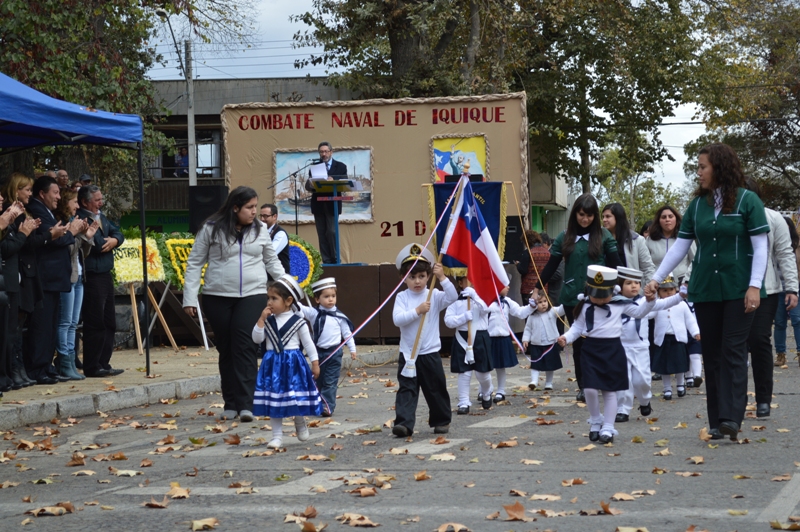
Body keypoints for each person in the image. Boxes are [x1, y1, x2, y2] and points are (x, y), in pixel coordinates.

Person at [646, 143, 770, 442]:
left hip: (740, 288)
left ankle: (732, 417)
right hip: (705, 289)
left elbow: (760, 247)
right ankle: (716, 421)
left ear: (719, 167)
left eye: (702, 167)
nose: (698, 172)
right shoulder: (696, 206)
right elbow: (680, 246)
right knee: (712, 353)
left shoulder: (747, 201)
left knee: (733, 350)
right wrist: (657, 278)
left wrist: (754, 286)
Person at [183, 186, 286, 422]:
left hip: (253, 294)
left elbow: (272, 261)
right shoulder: (211, 228)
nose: (254, 213)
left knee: (246, 345)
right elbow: (195, 262)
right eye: (249, 208)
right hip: (216, 295)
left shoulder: (260, 229)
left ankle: (247, 404)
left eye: (256, 207)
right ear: (235, 207)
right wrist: (189, 298)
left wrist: (288, 289)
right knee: (226, 349)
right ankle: (230, 404)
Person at [532, 193, 621, 403]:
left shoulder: (604, 236)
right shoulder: (565, 237)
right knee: (580, 345)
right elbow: (551, 265)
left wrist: (620, 289)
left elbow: (617, 263)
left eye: (590, 215)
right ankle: (584, 386)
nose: (585, 219)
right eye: (582, 214)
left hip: (601, 298)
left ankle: (604, 380)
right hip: (574, 300)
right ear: (575, 214)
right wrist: (537, 287)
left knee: (601, 342)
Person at [557, 266, 655, 443]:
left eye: (604, 295)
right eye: (596, 295)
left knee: (610, 391)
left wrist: (649, 301)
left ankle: (608, 427)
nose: (600, 300)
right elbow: (578, 328)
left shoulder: (620, 304)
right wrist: (565, 337)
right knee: (589, 389)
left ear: (613, 291)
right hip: (591, 350)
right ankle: (595, 420)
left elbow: (640, 312)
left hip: (613, 349)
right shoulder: (585, 305)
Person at [741, 177, 798, 417]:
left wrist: (792, 288)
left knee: (759, 339)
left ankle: (763, 398)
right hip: (732, 290)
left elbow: (785, 253)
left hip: (768, 290)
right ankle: (737, 397)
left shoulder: (774, 218)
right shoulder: (726, 217)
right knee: (735, 345)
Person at [391, 243, 457, 437]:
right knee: (407, 390)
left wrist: (443, 277)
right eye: (412, 277)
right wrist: (417, 311)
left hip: (429, 353)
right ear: (404, 278)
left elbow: (453, 297)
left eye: (421, 276)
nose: (417, 281)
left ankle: (441, 420)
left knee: (435, 388)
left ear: (429, 276)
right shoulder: (402, 297)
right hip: (408, 354)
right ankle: (403, 423)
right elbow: (397, 319)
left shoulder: (434, 294)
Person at [25, 176, 85, 384]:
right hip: (45, 276)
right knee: (42, 325)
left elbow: (59, 236)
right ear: (42, 193)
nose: (59, 197)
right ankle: (37, 367)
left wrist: (68, 233)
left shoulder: (47, 210)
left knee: (51, 324)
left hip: (54, 278)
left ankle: (46, 365)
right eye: (55, 193)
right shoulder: (37, 208)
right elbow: (53, 239)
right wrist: (72, 232)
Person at [251, 275, 321, 449]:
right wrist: (260, 320)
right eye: (268, 298)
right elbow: (256, 338)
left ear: (289, 300)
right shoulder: (268, 320)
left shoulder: (298, 322)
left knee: (294, 397)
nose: (269, 302)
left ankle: (300, 421)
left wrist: (315, 362)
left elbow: (308, 344)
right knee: (275, 401)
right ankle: (276, 436)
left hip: (293, 365)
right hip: (272, 365)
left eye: (274, 298)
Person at [615, 267, 683, 422]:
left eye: (637, 283)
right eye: (628, 283)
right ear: (619, 285)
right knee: (623, 379)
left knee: (642, 380)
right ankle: (623, 409)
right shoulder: (615, 303)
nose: (634, 286)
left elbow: (664, 303)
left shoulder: (646, 301)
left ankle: (645, 400)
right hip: (620, 347)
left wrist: (680, 296)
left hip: (640, 348)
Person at [75, 185, 124, 378]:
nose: (100, 203)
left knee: (109, 321)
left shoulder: (101, 217)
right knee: (96, 322)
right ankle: (93, 365)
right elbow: (95, 244)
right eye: (96, 200)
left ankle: (104, 361)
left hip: (106, 273)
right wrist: (107, 241)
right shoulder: (81, 218)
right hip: (92, 274)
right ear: (85, 201)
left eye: (101, 199)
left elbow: (118, 232)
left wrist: (115, 241)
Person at [1, 173, 42, 388]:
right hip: (10, 276)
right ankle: (11, 372)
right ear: (16, 190)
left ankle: (17, 370)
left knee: (15, 329)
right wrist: (25, 233)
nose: (30, 194)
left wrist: (34, 232)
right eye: (26, 189)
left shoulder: (20, 212)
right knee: (10, 330)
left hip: (17, 275)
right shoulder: (9, 213)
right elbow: (8, 247)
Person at [646, 205, 694, 383]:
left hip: (682, 286)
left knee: (683, 327)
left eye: (670, 216)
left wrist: (687, 281)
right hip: (660, 288)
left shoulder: (685, 237)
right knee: (660, 328)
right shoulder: (650, 240)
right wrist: (652, 282)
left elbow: (694, 260)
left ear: (677, 219)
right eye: (663, 217)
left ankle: (687, 371)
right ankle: (660, 367)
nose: (667, 219)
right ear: (658, 220)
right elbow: (647, 262)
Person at [296, 277, 356, 417]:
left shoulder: (339, 316)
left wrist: (352, 349)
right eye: (326, 296)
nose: (331, 299)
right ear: (317, 299)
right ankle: (317, 404)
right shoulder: (313, 313)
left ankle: (327, 406)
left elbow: (347, 333)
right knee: (319, 381)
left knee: (330, 381)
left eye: (333, 296)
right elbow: (300, 309)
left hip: (334, 353)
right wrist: (293, 297)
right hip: (318, 354)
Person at [55, 190, 96, 381]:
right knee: (65, 322)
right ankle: (64, 361)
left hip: (79, 275)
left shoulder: (75, 220)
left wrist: (87, 236)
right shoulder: (62, 223)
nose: (77, 206)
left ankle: (71, 361)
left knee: (73, 323)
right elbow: (68, 249)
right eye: (73, 201)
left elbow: (83, 253)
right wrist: (76, 233)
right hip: (68, 277)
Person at [445, 275, 493, 413]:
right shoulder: (455, 302)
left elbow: (486, 309)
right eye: (468, 279)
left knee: (482, 373)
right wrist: (463, 317)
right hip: (462, 338)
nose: (473, 283)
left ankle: (486, 392)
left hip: (480, 337)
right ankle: (464, 402)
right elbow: (448, 321)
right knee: (464, 373)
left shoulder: (482, 298)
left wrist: (475, 296)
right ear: (460, 282)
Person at [649, 274, 700, 400]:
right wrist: (649, 302)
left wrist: (695, 332)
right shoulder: (657, 304)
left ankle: (680, 385)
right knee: (664, 367)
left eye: (671, 290)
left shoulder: (682, 305)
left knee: (679, 365)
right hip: (662, 340)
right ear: (659, 292)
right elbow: (648, 315)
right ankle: (667, 388)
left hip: (677, 339)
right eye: (664, 290)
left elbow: (690, 320)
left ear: (676, 290)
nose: (668, 293)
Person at [487, 285, 534, 402]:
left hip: (502, 338)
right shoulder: (485, 301)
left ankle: (500, 391)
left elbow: (520, 312)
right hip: (488, 338)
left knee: (500, 366)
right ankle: (485, 390)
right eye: (504, 285)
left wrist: (532, 306)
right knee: (485, 367)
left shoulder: (507, 302)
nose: (508, 287)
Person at [0, 190, 27, 392]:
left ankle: (7, 374)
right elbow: (6, 249)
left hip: (7, 283)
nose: (2, 199)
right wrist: (22, 234)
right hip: (5, 282)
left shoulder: (6, 223)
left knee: (8, 334)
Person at [306, 141, 347, 264]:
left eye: (326, 151)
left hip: (332, 204)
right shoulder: (314, 167)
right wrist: (311, 183)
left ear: (331, 152)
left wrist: (333, 180)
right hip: (318, 204)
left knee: (332, 231)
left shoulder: (340, 166)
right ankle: (327, 260)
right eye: (321, 152)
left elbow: (345, 181)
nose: (323, 154)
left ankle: (335, 259)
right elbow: (310, 187)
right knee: (322, 234)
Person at [602, 202, 655, 289]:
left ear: (618, 217)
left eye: (608, 216)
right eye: (603, 217)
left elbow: (648, 268)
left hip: (632, 292)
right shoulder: (600, 239)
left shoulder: (637, 240)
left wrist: (650, 289)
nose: (604, 220)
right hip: (606, 291)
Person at [523, 294, 565, 391]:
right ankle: (534, 381)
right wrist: (525, 339)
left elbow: (562, 310)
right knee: (535, 364)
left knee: (550, 366)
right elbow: (528, 329)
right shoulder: (532, 316)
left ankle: (548, 383)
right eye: (540, 302)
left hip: (550, 343)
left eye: (545, 301)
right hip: (536, 344)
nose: (543, 304)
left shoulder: (552, 312)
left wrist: (566, 300)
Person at [774, 217, 800, 367]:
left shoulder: (797, 246)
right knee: (779, 322)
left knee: (797, 320)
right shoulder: (773, 245)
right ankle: (780, 354)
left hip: (795, 287)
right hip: (778, 288)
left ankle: (799, 352)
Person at [517, 230, 551, 304]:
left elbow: (523, 270)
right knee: (542, 311)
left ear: (527, 241)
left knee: (529, 312)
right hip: (543, 288)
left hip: (528, 289)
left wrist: (518, 265)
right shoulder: (547, 253)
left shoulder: (527, 252)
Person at [260, 203, 290, 278]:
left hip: (278, 279)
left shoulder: (280, 234)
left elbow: (270, 253)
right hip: (264, 277)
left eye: (266, 216)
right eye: (261, 216)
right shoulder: (260, 231)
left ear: (275, 216)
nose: (262, 219)